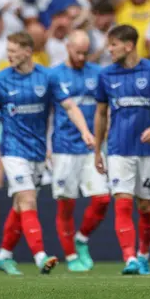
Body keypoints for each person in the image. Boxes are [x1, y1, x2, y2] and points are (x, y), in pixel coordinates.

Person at [0, 31, 95, 275]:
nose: (9, 56)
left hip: (38, 152)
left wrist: (85, 131)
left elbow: (70, 106)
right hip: (13, 150)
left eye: (13, 51)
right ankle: (40, 256)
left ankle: (4, 255)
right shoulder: (1, 79)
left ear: (28, 51)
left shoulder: (47, 77)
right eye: (7, 51)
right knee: (28, 200)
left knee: (20, 207)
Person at [94, 24, 150, 275]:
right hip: (118, 149)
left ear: (128, 46)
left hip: (147, 151)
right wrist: (98, 149)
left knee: (147, 206)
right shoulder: (106, 75)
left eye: (113, 44)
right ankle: (129, 258)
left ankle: (143, 255)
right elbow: (100, 114)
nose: (109, 49)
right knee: (122, 202)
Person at [49, 30, 111, 272]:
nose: (82, 57)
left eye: (86, 52)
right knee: (66, 204)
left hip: (91, 148)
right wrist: (45, 146)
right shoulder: (54, 75)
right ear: (67, 47)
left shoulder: (97, 73)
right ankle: (71, 256)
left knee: (102, 199)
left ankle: (81, 238)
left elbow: (106, 108)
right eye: (78, 52)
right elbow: (47, 114)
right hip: (63, 148)